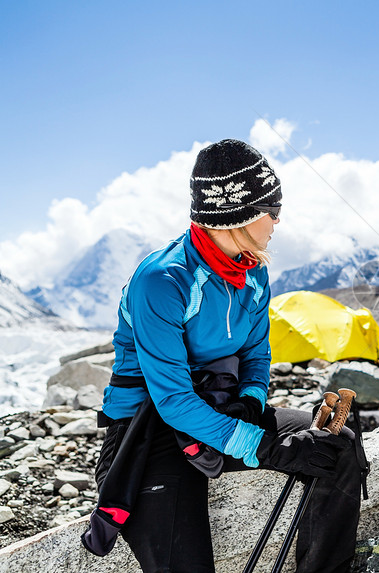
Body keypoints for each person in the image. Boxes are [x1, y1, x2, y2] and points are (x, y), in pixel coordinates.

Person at [88, 139, 362, 573]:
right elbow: (173, 401)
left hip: (221, 410)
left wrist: (249, 406)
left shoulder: (253, 271)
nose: (277, 221)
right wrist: (265, 446)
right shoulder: (162, 280)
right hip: (147, 433)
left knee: (336, 446)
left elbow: (256, 354)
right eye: (273, 210)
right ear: (241, 215)